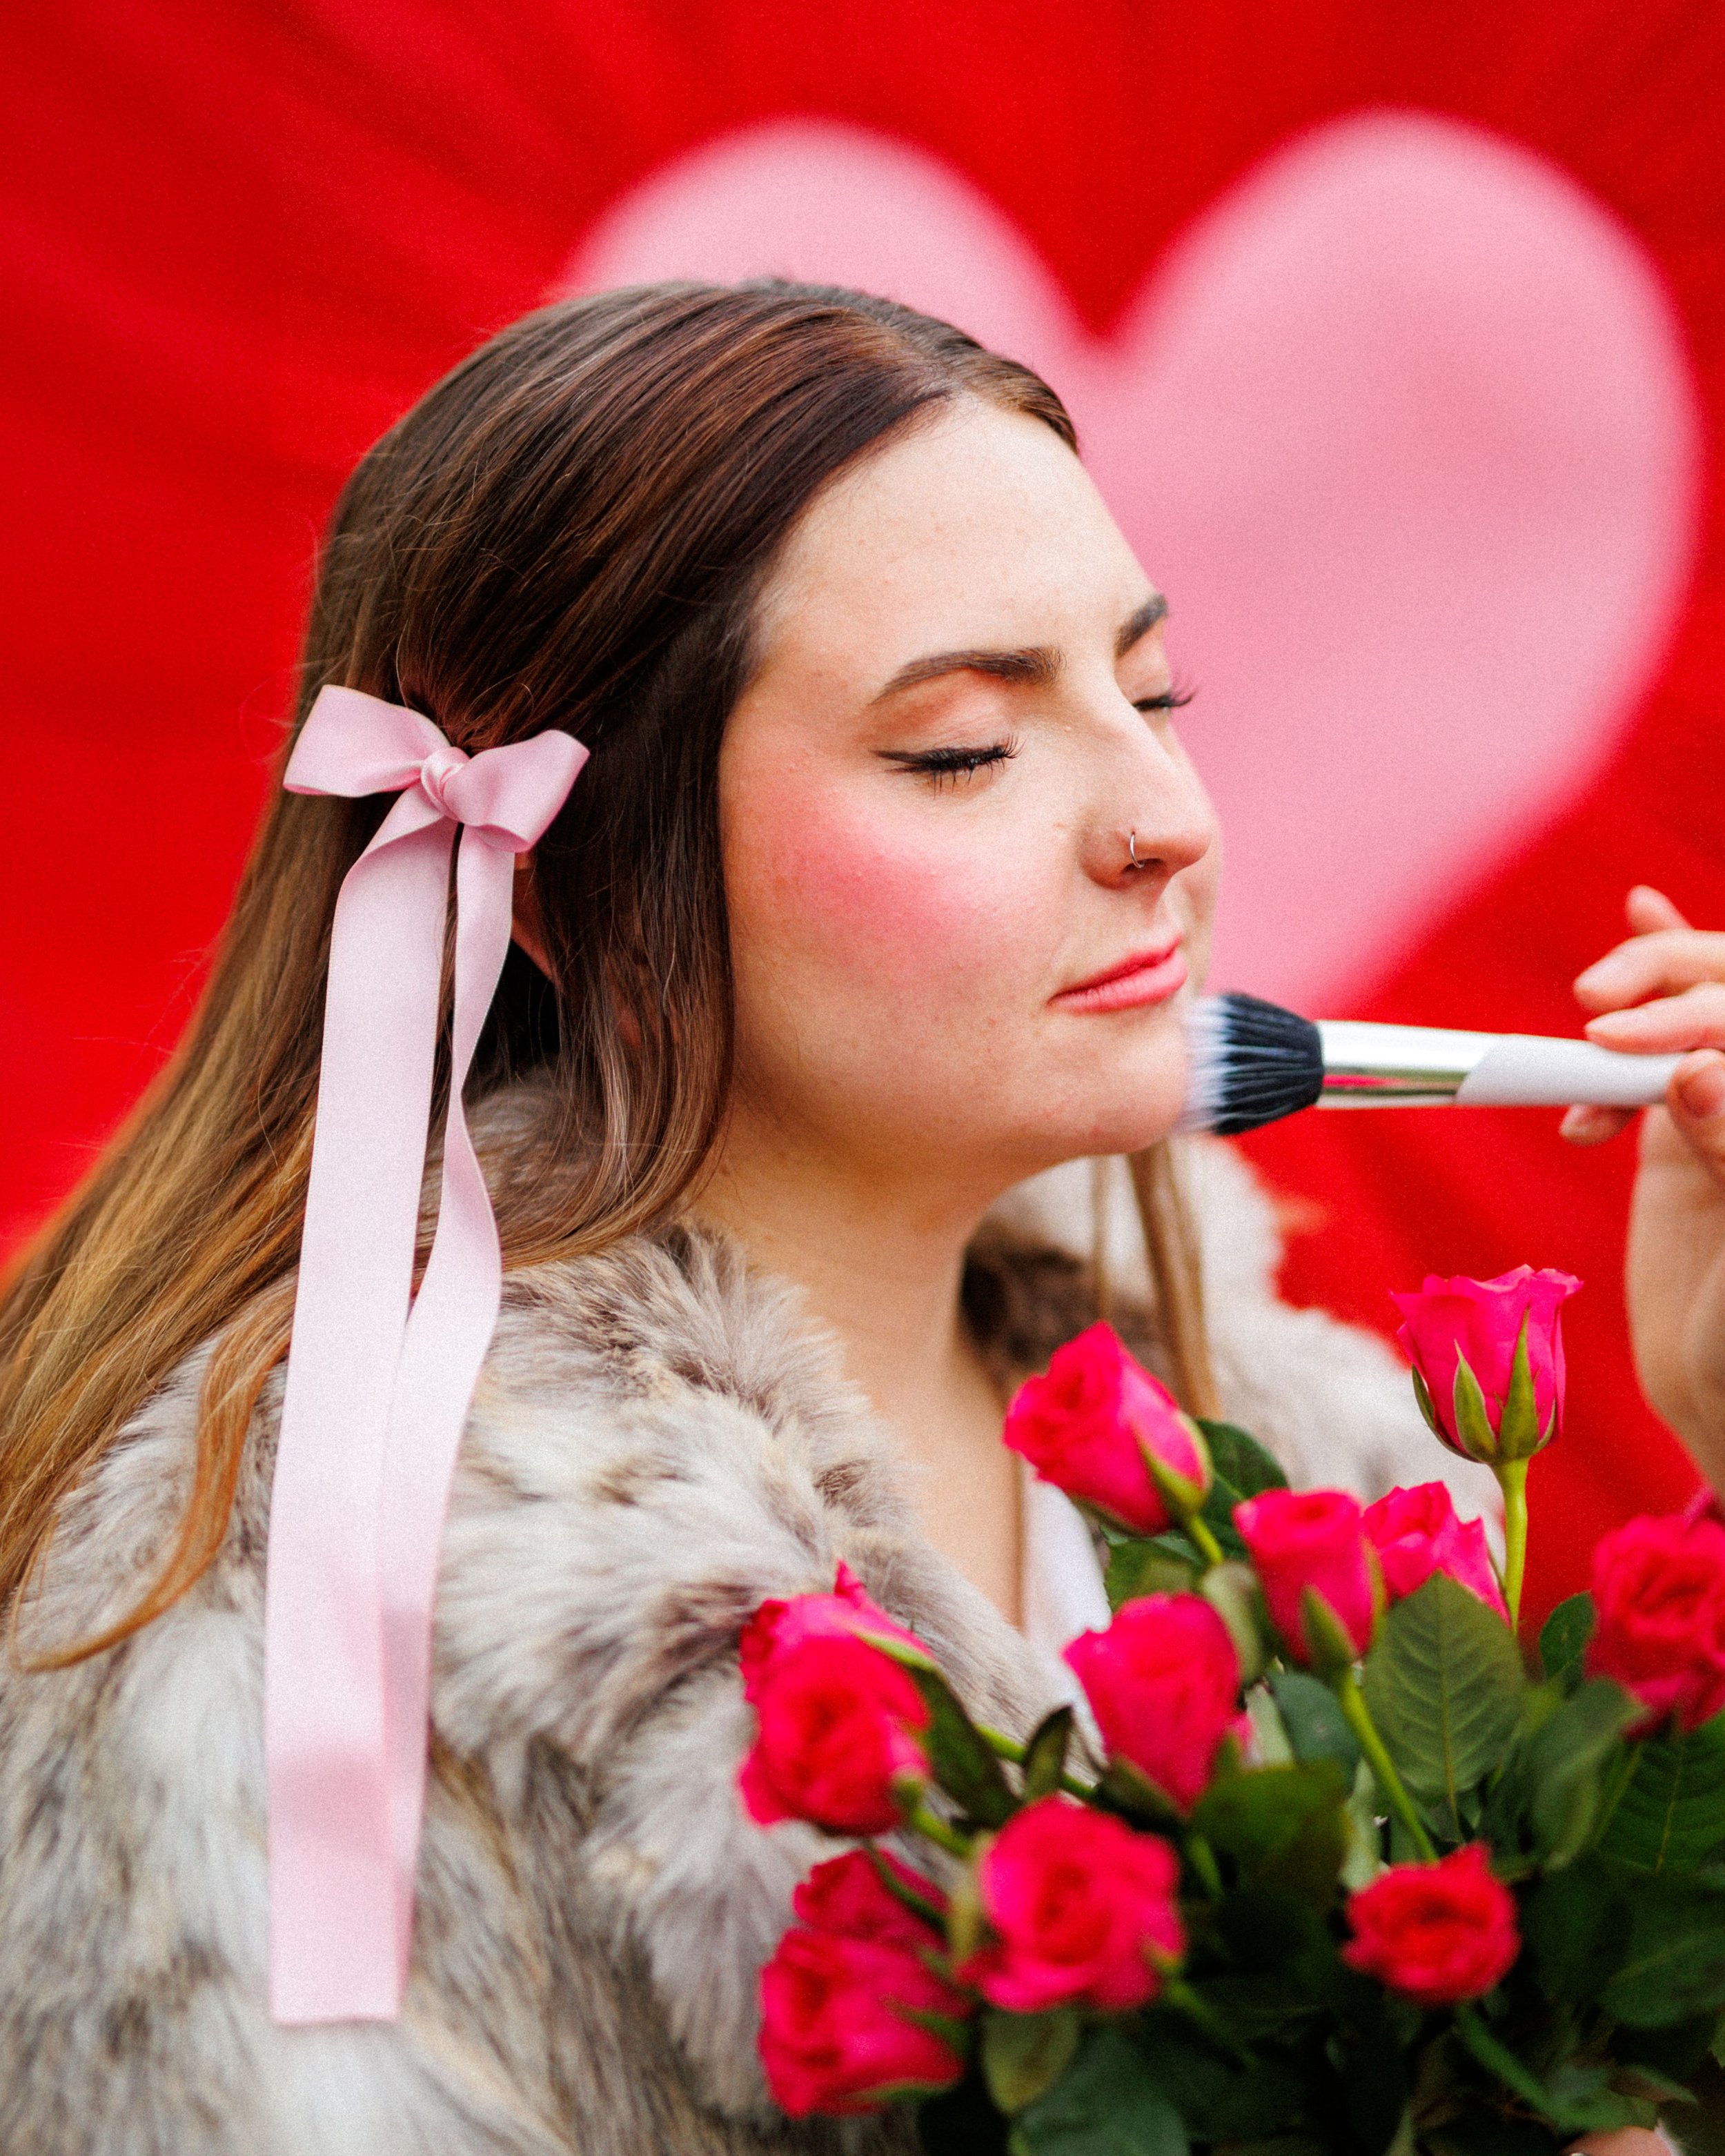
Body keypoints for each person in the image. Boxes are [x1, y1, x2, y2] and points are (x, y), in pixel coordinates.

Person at [0, 282, 1706, 2153]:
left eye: (1151, 695)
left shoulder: (1323, 1475)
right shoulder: (299, 1609)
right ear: (578, 897)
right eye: (962, 748)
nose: (1164, 819)